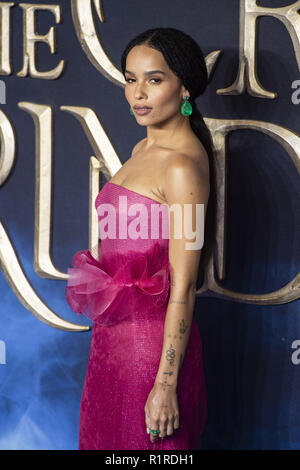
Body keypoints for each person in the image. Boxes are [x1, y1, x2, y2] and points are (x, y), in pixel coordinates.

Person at [65, 27, 216, 450]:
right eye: (131, 80)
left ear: (184, 86)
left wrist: (165, 385)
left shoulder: (183, 167)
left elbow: (184, 287)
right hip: (111, 349)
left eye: (154, 80)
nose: (138, 94)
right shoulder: (140, 151)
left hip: (150, 358)